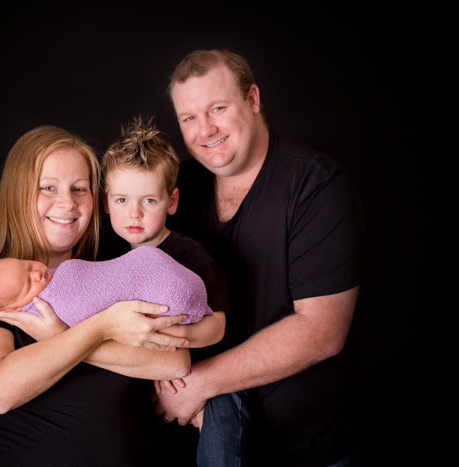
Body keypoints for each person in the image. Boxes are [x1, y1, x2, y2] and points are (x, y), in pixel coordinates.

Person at [153, 50, 368, 467]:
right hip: (204, 446)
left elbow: (322, 330)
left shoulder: (316, 186)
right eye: (189, 118)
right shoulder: (178, 190)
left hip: (309, 453)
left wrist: (197, 384)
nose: (205, 129)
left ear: (252, 100)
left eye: (218, 108)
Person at [0, 125, 193, 467]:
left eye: (79, 189)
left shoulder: (115, 278)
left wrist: (60, 336)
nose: (67, 203)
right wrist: (101, 328)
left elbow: (174, 362)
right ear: (18, 194)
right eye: (48, 188)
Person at [99, 117, 231, 464]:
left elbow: (218, 325)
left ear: (171, 201)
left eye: (149, 201)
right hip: (145, 407)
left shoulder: (190, 256)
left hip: (196, 396)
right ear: (105, 202)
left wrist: (170, 334)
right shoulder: (111, 263)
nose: (135, 213)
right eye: (122, 200)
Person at [0, 247, 217, 328]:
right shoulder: (40, 311)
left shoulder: (55, 274)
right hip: (169, 297)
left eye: (27, 265)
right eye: (28, 283)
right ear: (16, 308)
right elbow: (77, 308)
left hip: (150, 267)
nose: (37, 273)